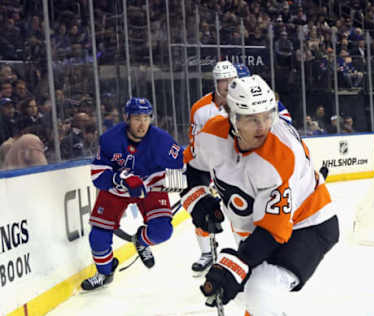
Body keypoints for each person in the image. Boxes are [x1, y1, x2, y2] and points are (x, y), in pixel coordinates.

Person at [180, 75, 339, 315]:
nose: (263, 126)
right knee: (243, 293)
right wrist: (199, 199)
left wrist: (237, 262)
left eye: (267, 115)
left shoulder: (280, 155)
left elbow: (274, 230)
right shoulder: (211, 137)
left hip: (308, 223)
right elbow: (194, 168)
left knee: (261, 291)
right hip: (256, 228)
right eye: (252, 119)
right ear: (232, 117)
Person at [81, 97, 186, 291]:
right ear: (126, 118)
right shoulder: (110, 139)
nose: (142, 123)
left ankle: (141, 241)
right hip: (117, 189)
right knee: (98, 236)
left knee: (162, 231)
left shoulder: (162, 140)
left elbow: (183, 164)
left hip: (149, 186)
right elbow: (97, 175)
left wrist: (201, 180)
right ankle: (104, 273)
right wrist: (119, 179)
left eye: (146, 117)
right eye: (137, 117)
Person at [184, 60, 238, 276]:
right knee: (201, 212)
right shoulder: (200, 108)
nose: (227, 85)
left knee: (237, 211)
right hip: (201, 166)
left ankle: (242, 250)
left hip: (229, 166)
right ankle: (206, 253)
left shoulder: (241, 103)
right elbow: (195, 143)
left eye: (231, 80)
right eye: (223, 81)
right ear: (216, 82)